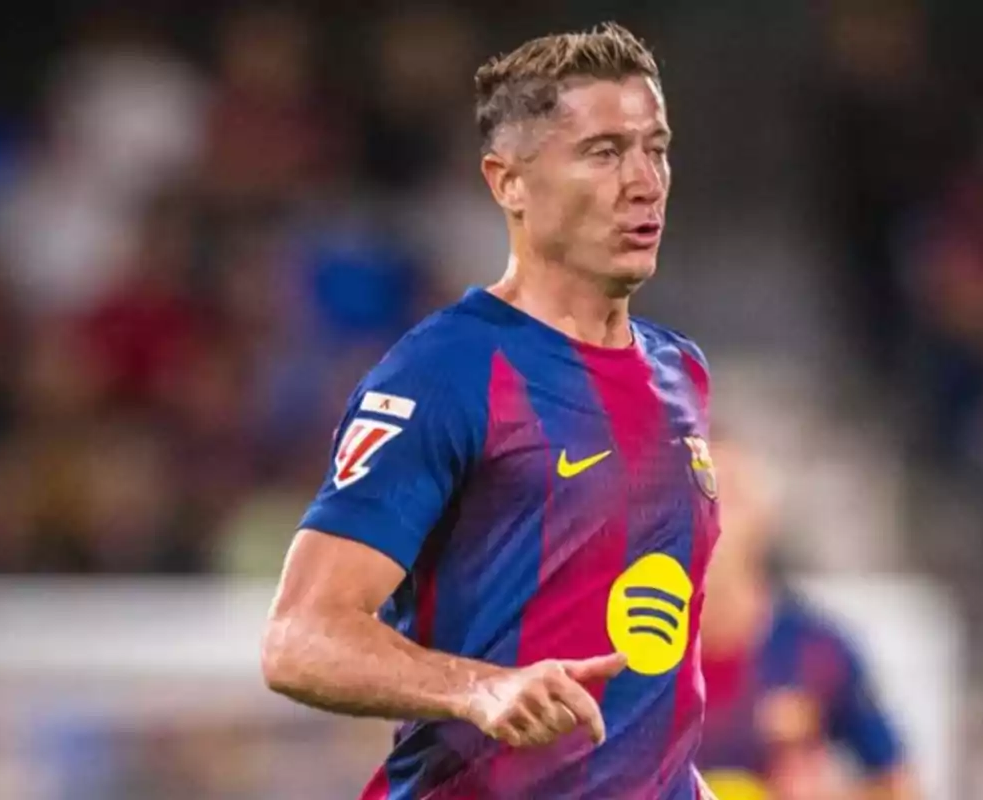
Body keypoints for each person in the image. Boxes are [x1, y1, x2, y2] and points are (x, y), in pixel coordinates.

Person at [261, 22, 721, 799]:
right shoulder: (447, 372)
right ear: (507, 181)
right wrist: (480, 689)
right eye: (604, 152)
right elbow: (299, 638)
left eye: (657, 147)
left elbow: (648, 701)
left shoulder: (681, 373)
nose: (644, 180)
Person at [696, 434, 917, 800]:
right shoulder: (632, 655)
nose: (711, 514)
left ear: (765, 517)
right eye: (695, 495)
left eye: (730, 496)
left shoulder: (818, 651)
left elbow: (897, 784)